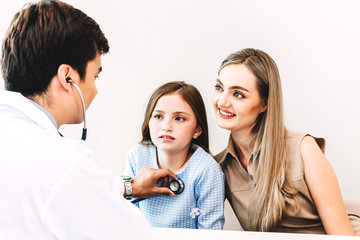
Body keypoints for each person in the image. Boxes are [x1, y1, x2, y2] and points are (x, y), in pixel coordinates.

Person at [0, 1, 178, 239]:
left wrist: (130, 186)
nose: (95, 91)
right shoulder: (62, 161)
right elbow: (135, 234)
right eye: (94, 76)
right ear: (67, 77)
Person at [212, 48, 360, 235]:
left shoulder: (304, 148)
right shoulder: (218, 168)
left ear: (265, 103)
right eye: (219, 88)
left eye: (238, 94)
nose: (222, 102)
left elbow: (342, 235)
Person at [124, 81, 225, 229]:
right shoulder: (137, 155)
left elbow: (211, 233)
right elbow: (125, 215)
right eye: (158, 116)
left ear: (197, 130)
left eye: (179, 118)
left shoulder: (208, 171)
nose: (166, 127)